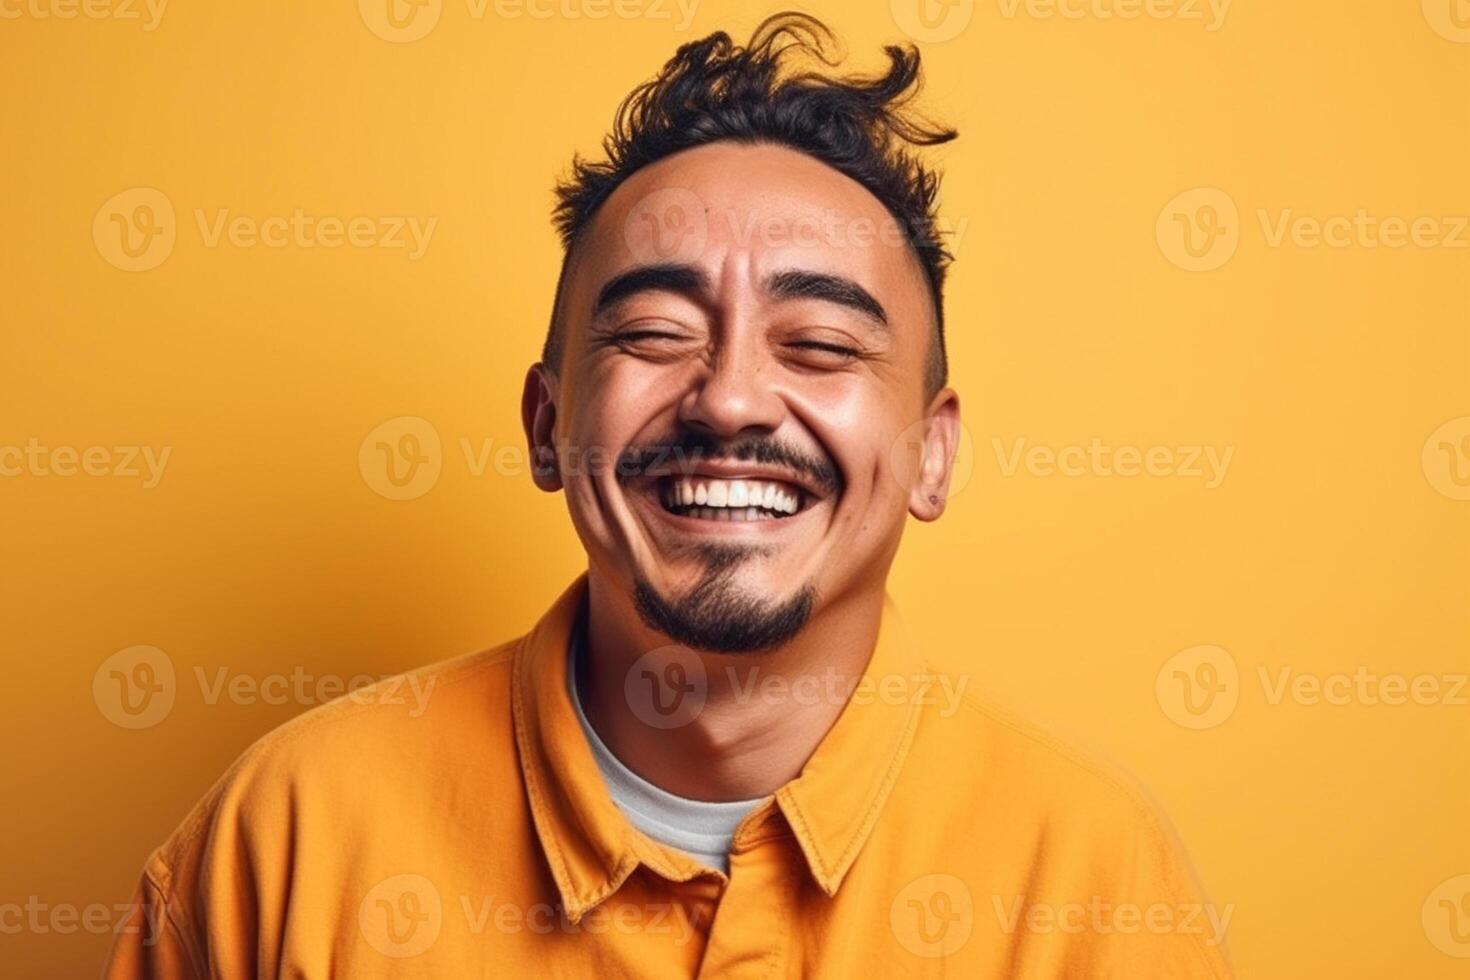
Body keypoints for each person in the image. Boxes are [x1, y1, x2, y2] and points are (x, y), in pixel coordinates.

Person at [106, 13, 1233, 977]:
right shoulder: (288, 835)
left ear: (932, 456)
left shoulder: (1093, 878)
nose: (732, 398)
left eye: (823, 341)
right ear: (550, 425)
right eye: (654, 332)